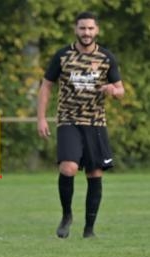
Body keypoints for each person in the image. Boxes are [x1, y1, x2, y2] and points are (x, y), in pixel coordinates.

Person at [37, 11, 124, 239]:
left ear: (97, 30)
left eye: (90, 28)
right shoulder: (63, 55)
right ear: (76, 30)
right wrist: (41, 117)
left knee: (95, 173)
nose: (86, 33)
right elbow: (46, 86)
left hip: (96, 122)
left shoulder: (106, 57)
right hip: (69, 120)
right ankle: (67, 216)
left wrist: (113, 91)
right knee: (68, 167)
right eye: (82, 28)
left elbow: (120, 89)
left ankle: (89, 229)